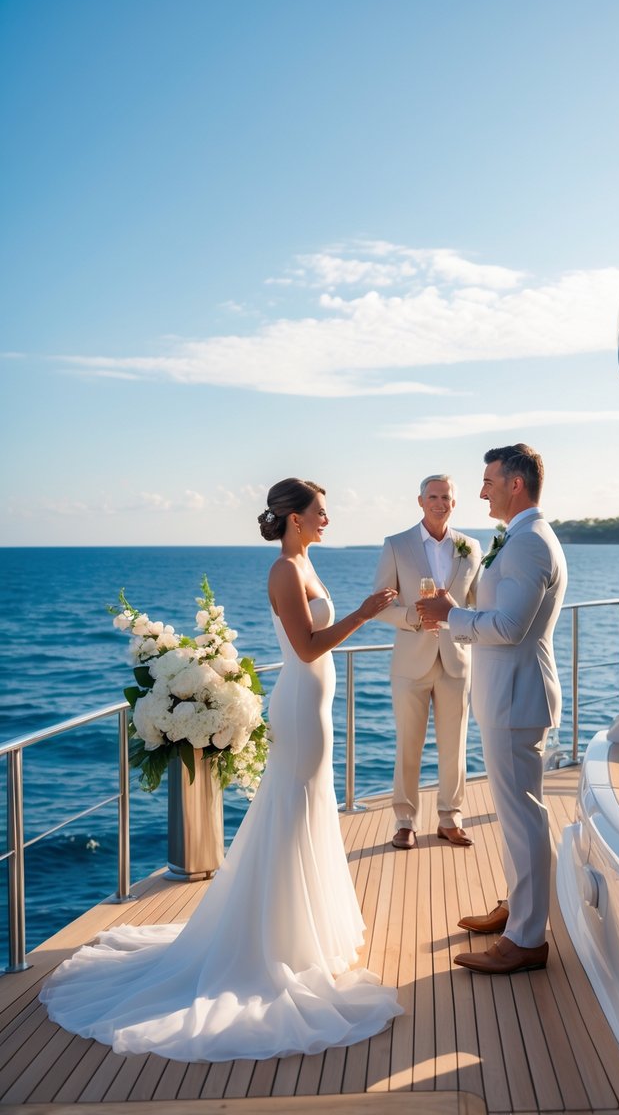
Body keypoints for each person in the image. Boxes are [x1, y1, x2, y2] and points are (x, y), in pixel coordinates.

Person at [40, 478, 402, 1061]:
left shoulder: (303, 560)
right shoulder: (284, 570)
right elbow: (307, 648)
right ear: (293, 518)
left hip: (315, 707)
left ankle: (302, 935)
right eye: (320, 512)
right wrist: (364, 612)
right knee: (290, 812)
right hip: (300, 704)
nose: (327, 520)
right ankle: (273, 943)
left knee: (305, 810)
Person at [417, 445, 567, 975]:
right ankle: (517, 908)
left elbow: (509, 628)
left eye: (488, 482)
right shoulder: (522, 539)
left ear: (515, 486)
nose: (481, 491)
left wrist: (452, 615)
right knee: (515, 813)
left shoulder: (528, 544)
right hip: (508, 695)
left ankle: (527, 938)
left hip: (515, 697)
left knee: (524, 817)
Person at [373, 475, 481, 849]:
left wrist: (459, 621)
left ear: (455, 502)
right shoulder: (397, 545)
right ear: (420, 501)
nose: (439, 502)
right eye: (432, 496)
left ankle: (450, 819)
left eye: (446, 497)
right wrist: (415, 618)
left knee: (456, 745)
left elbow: (479, 606)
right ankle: (405, 821)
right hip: (410, 661)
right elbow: (381, 605)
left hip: (456, 661)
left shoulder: (472, 547)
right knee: (408, 744)